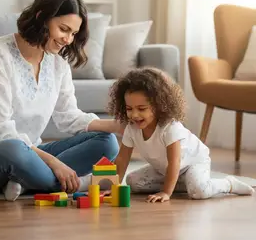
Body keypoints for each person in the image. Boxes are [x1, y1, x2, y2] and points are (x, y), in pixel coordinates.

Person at [0, 0, 122, 201]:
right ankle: (75, 182)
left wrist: (119, 125)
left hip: (32, 155)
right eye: (63, 29)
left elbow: (68, 117)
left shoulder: (57, 63)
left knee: (107, 142)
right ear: (41, 17)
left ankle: (27, 183)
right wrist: (54, 163)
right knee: (14, 150)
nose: (68, 40)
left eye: (73, 34)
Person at [108, 67, 254, 202]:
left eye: (141, 108)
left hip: (192, 163)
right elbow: (122, 159)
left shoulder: (169, 127)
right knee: (133, 182)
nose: (134, 114)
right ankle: (183, 182)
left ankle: (228, 184)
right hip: (165, 169)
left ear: (158, 106)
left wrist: (166, 192)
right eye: (129, 108)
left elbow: (175, 162)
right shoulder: (131, 128)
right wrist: (114, 187)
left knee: (198, 192)